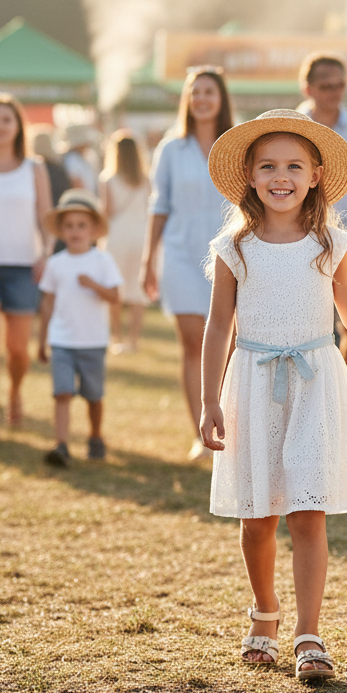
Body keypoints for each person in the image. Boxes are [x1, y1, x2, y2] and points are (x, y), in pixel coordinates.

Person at [199, 109, 347, 679]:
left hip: (315, 383)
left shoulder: (330, 242)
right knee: (258, 516)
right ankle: (264, 612)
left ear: (315, 174)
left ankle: (308, 633)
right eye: (267, 166)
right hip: (252, 381)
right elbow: (219, 326)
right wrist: (209, 400)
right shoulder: (233, 246)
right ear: (249, 176)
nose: (280, 176)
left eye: (293, 165)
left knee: (308, 512)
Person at [142, 67, 232, 458]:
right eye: (195, 92)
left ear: (221, 97)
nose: (202, 99)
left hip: (229, 257)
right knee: (192, 345)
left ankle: (228, 427)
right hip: (179, 254)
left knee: (227, 348)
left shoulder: (236, 144)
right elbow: (159, 206)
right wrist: (149, 259)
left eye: (209, 91)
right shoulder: (170, 148)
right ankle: (201, 436)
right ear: (187, 99)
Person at [298, 53, 347, 424]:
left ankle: (346, 396)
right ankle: (318, 404)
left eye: (340, 85)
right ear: (308, 88)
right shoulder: (293, 125)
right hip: (302, 238)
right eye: (326, 86)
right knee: (311, 329)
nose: (334, 93)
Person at [37, 190, 123, 467]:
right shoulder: (55, 264)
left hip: (93, 341)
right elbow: (47, 303)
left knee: (93, 395)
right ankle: (61, 445)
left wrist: (94, 285)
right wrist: (42, 340)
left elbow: (115, 297)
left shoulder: (102, 261)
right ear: (61, 231)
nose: (75, 231)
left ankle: (95, 436)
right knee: (62, 391)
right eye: (69, 226)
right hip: (62, 339)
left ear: (94, 230)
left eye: (81, 225)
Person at [0, 94, 52, 434]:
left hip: (23, 266)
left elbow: (46, 219)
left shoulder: (34, 168)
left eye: (6, 120)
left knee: (17, 348)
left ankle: (14, 391)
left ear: (17, 126)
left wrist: (45, 251)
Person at [100, 130, 151, 353]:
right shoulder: (145, 180)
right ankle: (134, 340)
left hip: (116, 236)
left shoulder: (108, 179)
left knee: (115, 288)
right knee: (136, 290)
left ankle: (116, 338)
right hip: (140, 236)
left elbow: (107, 211)